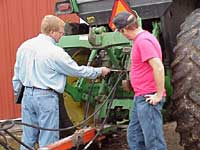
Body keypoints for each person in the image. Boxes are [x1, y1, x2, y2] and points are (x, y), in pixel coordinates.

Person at [12, 15, 110, 149]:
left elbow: (16, 76)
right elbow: (77, 71)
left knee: (27, 138)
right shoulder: (55, 52)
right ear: (52, 32)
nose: (62, 36)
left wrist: (20, 94)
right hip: (46, 98)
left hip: (27, 96)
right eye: (61, 32)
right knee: (48, 140)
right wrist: (99, 71)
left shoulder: (25, 46)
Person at [112, 11, 167, 150]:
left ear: (124, 29)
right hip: (140, 96)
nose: (122, 34)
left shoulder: (143, 41)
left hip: (149, 97)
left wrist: (158, 95)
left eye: (120, 32)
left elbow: (159, 67)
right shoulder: (143, 39)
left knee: (153, 141)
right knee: (134, 135)